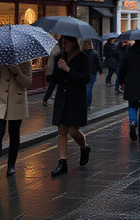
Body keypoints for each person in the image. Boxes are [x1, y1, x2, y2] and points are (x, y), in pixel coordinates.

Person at [0, 61, 33, 179]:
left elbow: (28, 83)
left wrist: (17, 72)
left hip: (16, 103)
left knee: (14, 134)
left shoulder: (25, 62)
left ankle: (11, 165)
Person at [51, 36, 91, 177]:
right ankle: (62, 162)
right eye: (62, 43)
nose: (64, 45)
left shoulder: (83, 58)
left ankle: (84, 147)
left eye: (66, 42)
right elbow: (54, 80)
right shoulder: (59, 57)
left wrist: (68, 69)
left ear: (74, 43)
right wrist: (54, 69)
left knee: (73, 131)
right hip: (62, 97)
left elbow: (85, 78)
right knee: (61, 130)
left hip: (76, 98)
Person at [82, 39, 103, 110]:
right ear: (91, 45)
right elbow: (99, 63)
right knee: (89, 89)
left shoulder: (81, 53)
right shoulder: (95, 53)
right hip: (92, 73)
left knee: (84, 89)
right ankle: (88, 106)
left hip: (83, 73)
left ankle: (83, 104)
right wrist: (101, 72)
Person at [43, 36, 62, 106]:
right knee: (52, 85)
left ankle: (47, 98)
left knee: (53, 85)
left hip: (54, 70)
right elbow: (55, 55)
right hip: (53, 70)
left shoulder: (57, 47)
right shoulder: (57, 48)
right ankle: (46, 99)